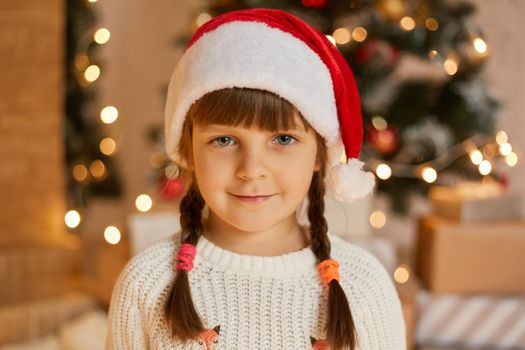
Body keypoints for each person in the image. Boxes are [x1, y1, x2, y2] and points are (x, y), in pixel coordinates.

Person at [106, 8, 406, 350]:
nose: (251, 169)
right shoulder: (147, 282)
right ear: (188, 151)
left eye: (283, 139)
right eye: (224, 140)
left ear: (320, 156)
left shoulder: (363, 285)